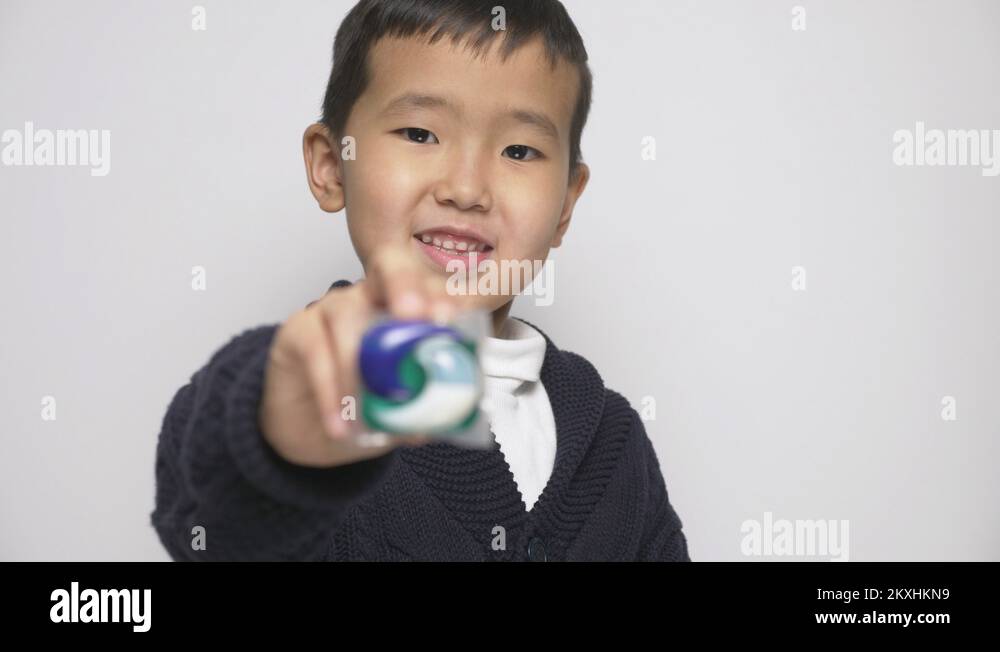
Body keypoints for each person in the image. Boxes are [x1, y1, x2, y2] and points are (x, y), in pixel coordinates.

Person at [151, 0, 690, 561]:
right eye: (419, 133)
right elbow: (207, 504)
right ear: (332, 165)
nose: (466, 188)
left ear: (565, 206)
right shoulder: (306, 397)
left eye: (519, 150)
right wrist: (277, 419)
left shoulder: (613, 440)